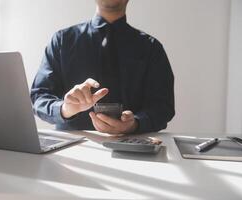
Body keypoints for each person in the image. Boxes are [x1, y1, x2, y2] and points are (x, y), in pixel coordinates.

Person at [31, 0, 175, 135]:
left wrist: (134, 124)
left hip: (134, 149)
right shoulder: (62, 40)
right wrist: (64, 109)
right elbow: (39, 97)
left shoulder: (151, 48)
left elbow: (163, 107)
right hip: (70, 151)